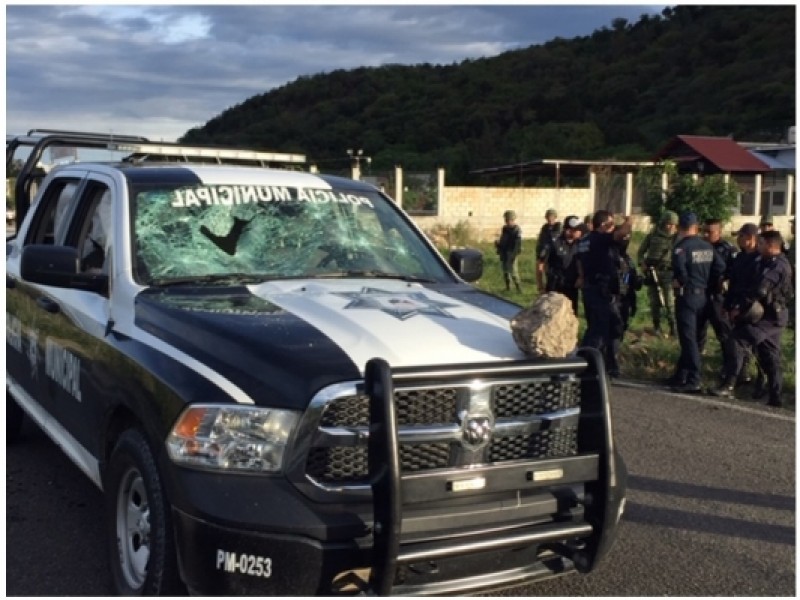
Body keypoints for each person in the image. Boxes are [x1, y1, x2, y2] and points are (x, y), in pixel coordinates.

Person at [723, 230, 793, 407]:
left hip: (770, 318)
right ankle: (775, 396)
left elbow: (760, 290)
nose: (758, 247)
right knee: (770, 355)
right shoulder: (763, 261)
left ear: (770, 245)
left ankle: (730, 383)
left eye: (761, 244)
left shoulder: (778, 265)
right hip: (767, 315)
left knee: (737, 339)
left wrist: (740, 309)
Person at [668, 212, 726, 393]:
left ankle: (693, 379)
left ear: (680, 228)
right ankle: (682, 376)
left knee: (688, 339)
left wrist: (682, 282)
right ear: (696, 227)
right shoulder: (707, 246)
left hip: (687, 297)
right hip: (704, 297)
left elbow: (680, 272)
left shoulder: (680, 248)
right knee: (697, 337)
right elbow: (720, 267)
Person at [576, 210, 634, 379]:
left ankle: (594, 364)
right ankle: (587, 365)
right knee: (601, 330)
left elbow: (579, 261)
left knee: (595, 327)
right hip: (601, 290)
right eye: (610, 223)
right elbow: (621, 233)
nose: (612, 226)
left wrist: (582, 277)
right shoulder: (599, 238)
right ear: (603, 225)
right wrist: (628, 221)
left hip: (590, 288)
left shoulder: (584, 240)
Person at [711, 223, 761, 397]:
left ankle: (739, 381)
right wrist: (726, 305)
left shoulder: (759, 260)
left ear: (751, 238)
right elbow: (732, 284)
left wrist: (740, 308)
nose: (738, 239)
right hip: (735, 306)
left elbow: (755, 289)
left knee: (748, 346)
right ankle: (738, 377)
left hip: (751, 309)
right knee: (737, 344)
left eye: (741, 236)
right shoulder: (740, 257)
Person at [698, 218, 737, 383]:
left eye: (710, 232)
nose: (706, 235)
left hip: (718, 297)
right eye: (704, 231)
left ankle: (730, 370)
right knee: (696, 335)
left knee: (725, 335)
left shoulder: (727, 249)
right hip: (700, 295)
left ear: (719, 232)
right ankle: (693, 371)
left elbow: (733, 272)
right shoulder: (698, 247)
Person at [637, 210, 678, 337]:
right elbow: (641, 252)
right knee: (654, 302)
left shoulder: (677, 238)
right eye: (667, 223)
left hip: (668, 272)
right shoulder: (653, 234)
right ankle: (657, 326)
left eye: (672, 224)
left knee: (670, 302)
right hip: (652, 272)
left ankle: (673, 328)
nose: (669, 226)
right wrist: (642, 264)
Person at [537, 215, 583, 315]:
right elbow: (540, 264)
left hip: (571, 287)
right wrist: (540, 286)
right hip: (555, 286)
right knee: (551, 316)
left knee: (570, 316)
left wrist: (580, 277)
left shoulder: (580, 243)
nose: (580, 232)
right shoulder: (553, 242)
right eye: (578, 230)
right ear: (569, 230)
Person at [495, 209, 523, 292]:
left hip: (512, 253)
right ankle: (508, 287)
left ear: (513, 220)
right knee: (505, 271)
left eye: (509, 220)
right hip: (505, 252)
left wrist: (513, 255)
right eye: (506, 220)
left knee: (514, 271)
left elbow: (517, 244)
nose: (507, 222)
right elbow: (503, 240)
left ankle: (518, 288)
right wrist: (498, 246)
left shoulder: (516, 230)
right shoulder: (505, 228)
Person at [535, 208, 561, 290]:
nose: (550, 219)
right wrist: (540, 256)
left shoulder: (558, 227)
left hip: (554, 254)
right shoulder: (545, 228)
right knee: (539, 270)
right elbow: (542, 241)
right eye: (549, 217)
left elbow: (553, 241)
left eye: (552, 217)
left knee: (551, 274)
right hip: (544, 253)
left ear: (555, 217)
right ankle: (541, 288)